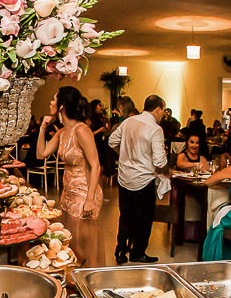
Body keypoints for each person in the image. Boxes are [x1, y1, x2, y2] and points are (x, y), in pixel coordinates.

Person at [108, 94, 168, 264]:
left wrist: (124, 155)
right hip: (143, 180)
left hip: (124, 177)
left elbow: (112, 141)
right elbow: (159, 160)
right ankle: (137, 253)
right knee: (143, 219)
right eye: (162, 111)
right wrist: (165, 166)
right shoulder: (155, 129)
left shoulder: (128, 121)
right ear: (157, 109)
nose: (163, 114)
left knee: (126, 215)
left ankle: (120, 251)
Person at [37, 86, 102, 219]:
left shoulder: (81, 130)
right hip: (67, 192)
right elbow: (41, 154)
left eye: (53, 100)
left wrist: (90, 199)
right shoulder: (62, 132)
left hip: (84, 193)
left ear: (61, 106)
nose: (51, 103)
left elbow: (95, 166)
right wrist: (42, 128)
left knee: (82, 236)